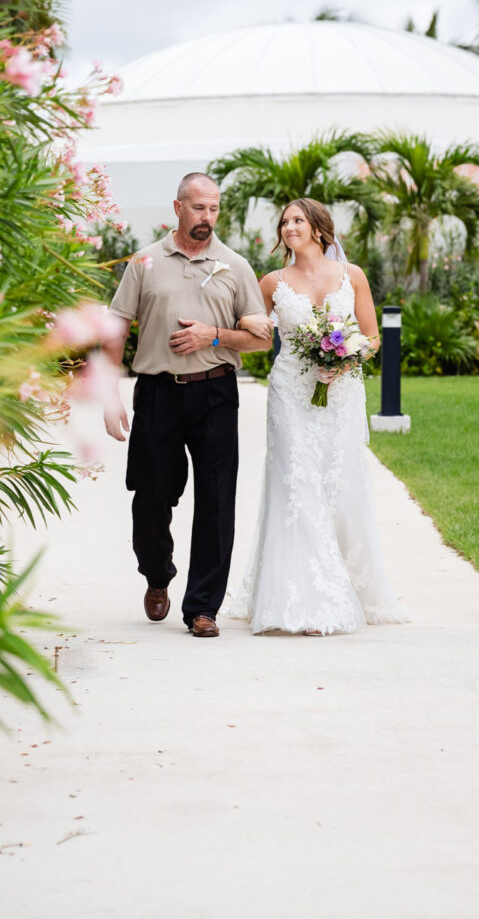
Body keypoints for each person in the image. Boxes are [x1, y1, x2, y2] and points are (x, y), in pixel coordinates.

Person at [220, 198, 410, 634]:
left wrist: (344, 359)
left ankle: (352, 585)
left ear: (319, 229)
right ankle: (305, 600)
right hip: (290, 394)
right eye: (284, 222)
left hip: (341, 394)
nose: (289, 227)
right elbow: (257, 336)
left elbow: (372, 336)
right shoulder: (271, 282)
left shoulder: (353, 276)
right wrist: (217, 337)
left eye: (297, 220)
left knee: (339, 485)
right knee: (296, 485)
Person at [103, 173, 272, 638]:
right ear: (177, 208)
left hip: (216, 392)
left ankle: (203, 607)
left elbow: (261, 339)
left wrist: (213, 335)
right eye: (199, 208)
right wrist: (109, 393)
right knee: (151, 497)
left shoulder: (235, 266)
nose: (207, 218)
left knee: (217, 500)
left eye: (214, 208)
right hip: (158, 392)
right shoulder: (145, 262)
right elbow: (116, 326)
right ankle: (157, 575)